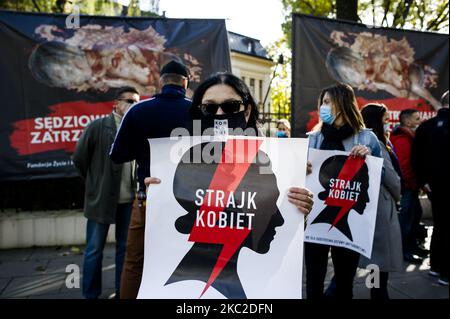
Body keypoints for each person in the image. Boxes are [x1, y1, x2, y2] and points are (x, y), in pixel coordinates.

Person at [109, 60, 192, 298]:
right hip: (190, 201)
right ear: (185, 83)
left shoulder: (138, 110)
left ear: (161, 81)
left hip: (148, 197)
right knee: (183, 261)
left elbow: (117, 155)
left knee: (135, 261)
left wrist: (144, 148)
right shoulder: (198, 111)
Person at [306, 83, 381, 299]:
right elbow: (297, 179)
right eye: (323, 102)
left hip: (351, 221)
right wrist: (301, 168)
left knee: (345, 282)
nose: (323, 107)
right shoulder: (313, 138)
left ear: (343, 104)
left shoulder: (367, 139)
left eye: (328, 102)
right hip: (315, 220)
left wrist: (369, 159)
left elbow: (381, 175)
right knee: (313, 280)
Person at [72, 86, 139, 299]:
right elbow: (79, 159)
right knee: (94, 250)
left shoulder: (137, 129)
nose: (134, 105)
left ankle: (122, 292)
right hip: (100, 200)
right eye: (130, 101)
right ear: (116, 104)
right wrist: (94, 184)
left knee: (124, 250)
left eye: (137, 102)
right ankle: (91, 294)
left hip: (129, 201)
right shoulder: (97, 127)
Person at [360, 103, 403, 299]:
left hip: (374, 206)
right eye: (385, 120)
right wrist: (398, 195)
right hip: (380, 208)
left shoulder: (367, 140)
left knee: (374, 262)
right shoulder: (375, 142)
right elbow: (391, 178)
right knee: (377, 261)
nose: (388, 124)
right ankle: (377, 296)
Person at [412, 90, 449, 286]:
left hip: (433, 187)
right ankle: (445, 272)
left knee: (439, 225)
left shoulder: (425, 127)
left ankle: (435, 266)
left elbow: (415, 157)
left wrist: (423, 181)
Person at [390, 109, 426, 264]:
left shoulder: (408, 137)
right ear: (408, 121)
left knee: (415, 215)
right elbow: (405, 167)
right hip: (407, 187)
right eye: (417, 119)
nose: (420, 121)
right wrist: (412, 185)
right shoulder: (402, 139)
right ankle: (405, 251)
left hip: (411, 187)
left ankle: (412, 246)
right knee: (406, 220)